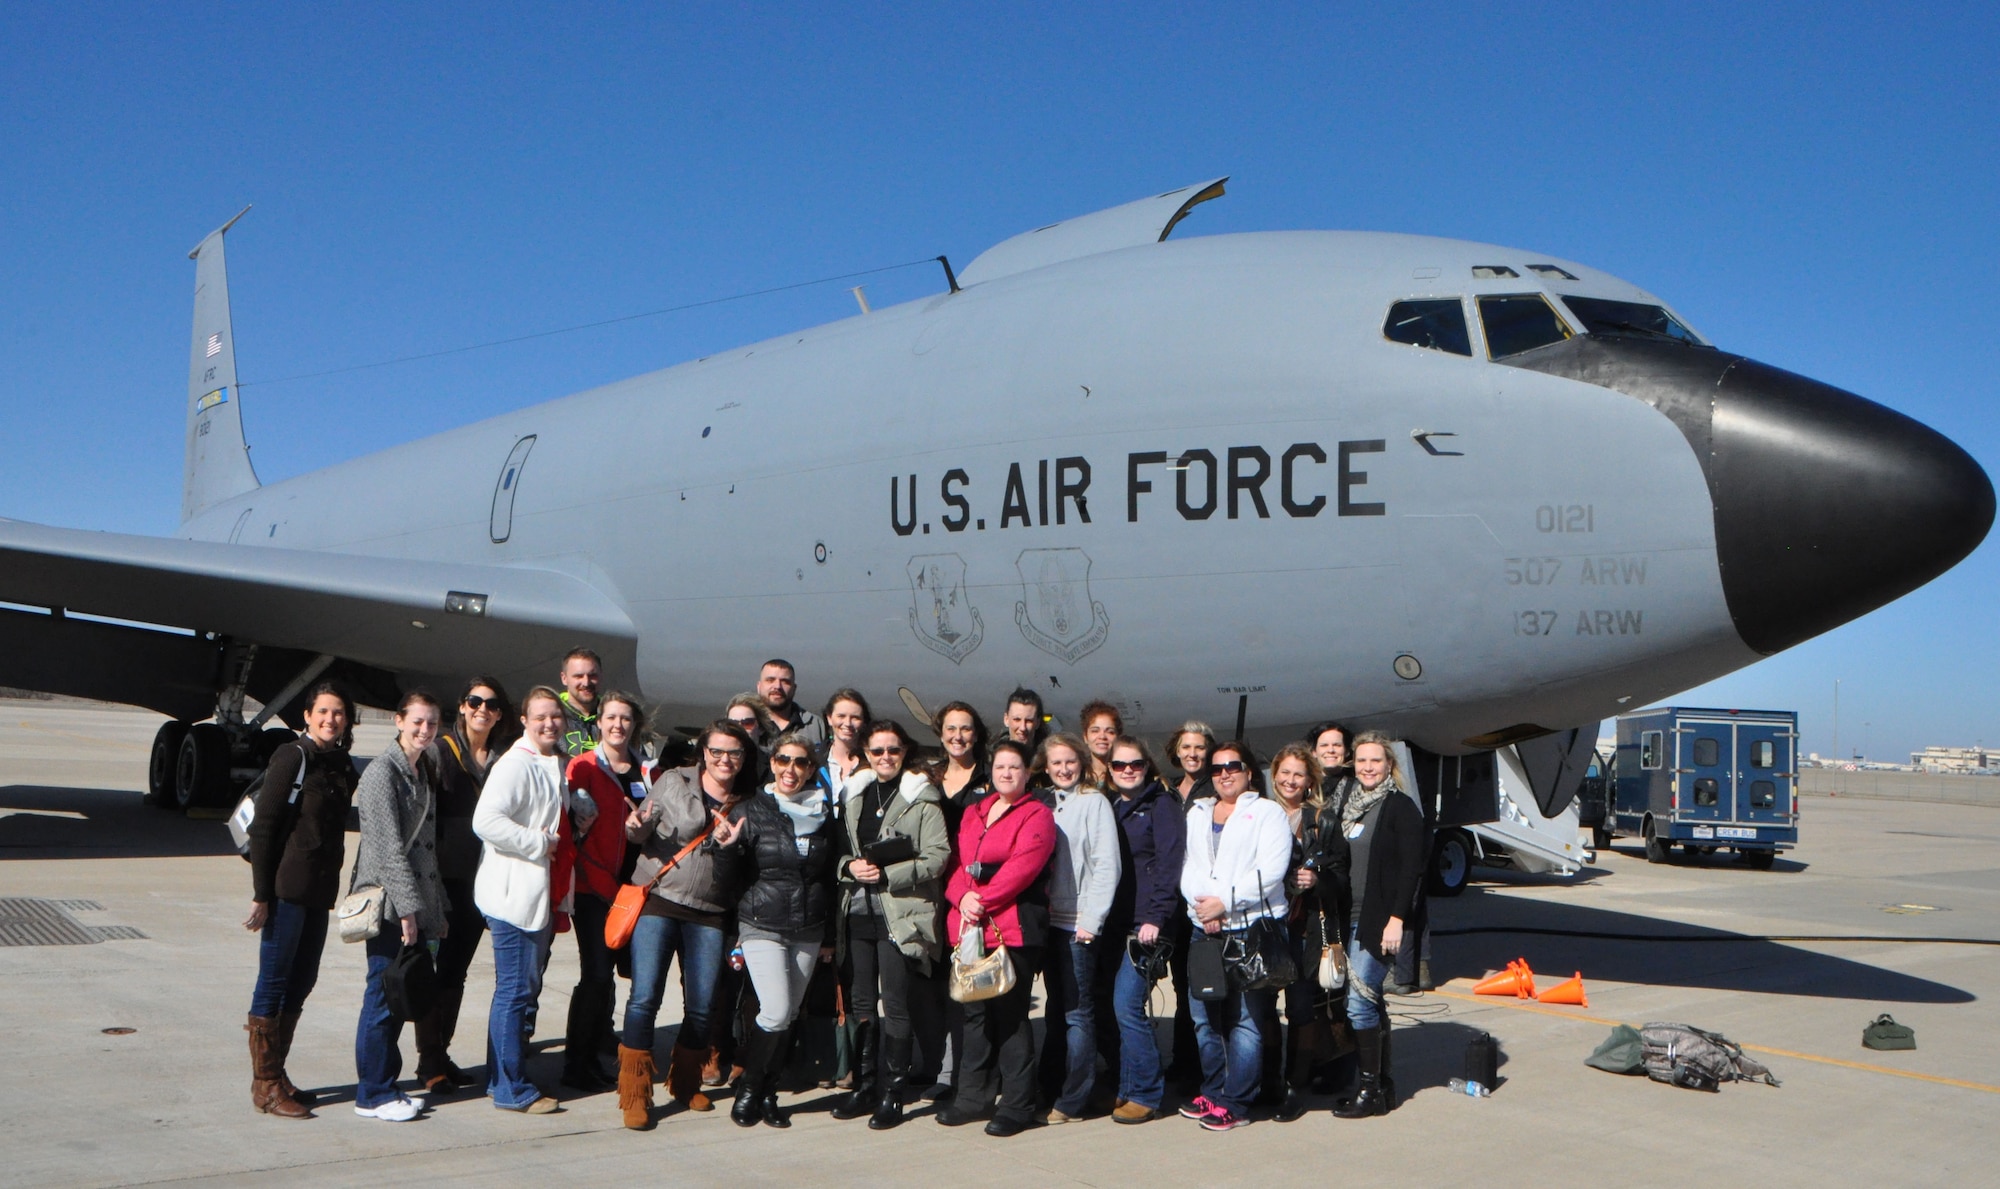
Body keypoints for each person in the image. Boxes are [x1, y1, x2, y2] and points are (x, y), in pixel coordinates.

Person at [616, 720, 752, 1129]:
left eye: (734, 753)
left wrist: (733, 849)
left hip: (710, 910)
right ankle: (635, 1093)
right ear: (703, 753)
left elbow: (746, 865)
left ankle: (685, 1081)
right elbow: (642, 830)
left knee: (702, 1003)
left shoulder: (748, 800)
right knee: (644, 997)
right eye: (717, 751)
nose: (725, 760)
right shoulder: (673, 781)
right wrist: (635, 830)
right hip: (660, 900)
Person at [243, 682, 359, 1119]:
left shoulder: (341, 764)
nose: (331, 719)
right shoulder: (293, 756)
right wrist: (261, 895)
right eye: (323, 712)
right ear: (307, 716)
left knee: (302, 980)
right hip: (286, 890)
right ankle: (265, 1086)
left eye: (339, 713)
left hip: (319, 892)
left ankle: (277, 1073)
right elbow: (264, 828)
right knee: (273, 982)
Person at [831, 720, 950, 1130]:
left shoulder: (922, 798)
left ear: (905, 753)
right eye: (878, 751)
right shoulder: (854, 795)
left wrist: (888, 875)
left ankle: (893, 1095)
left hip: (899, 915)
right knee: (863, 1003)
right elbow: (839, 852)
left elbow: (938, 857)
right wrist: (851, 867)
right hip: (857, 911)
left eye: (893, 751)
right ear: (866, 753)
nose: (886, 758)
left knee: (895, 1004)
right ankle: (865, 1086)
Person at [937, 739, 1056, 1138]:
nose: (1007, 773)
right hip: (971, 929)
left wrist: (982, 899)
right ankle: (973, 1098)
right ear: (991, 772)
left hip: (1011, 929)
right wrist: (962, 896)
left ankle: (1019, 1104)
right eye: (1001, 767)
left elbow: (1023, 867)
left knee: (1009, 1017)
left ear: (1027, 774)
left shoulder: (1037, 814)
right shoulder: (974, 813)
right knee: (973, 1016)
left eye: (1015, 768)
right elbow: (954, 863)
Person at [1177, 740, 1292, 1132]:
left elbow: (1270, 871)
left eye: (1233, 766)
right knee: (1203, 1015)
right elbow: (1190, 866)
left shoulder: (1267, 813)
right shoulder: (1198, 812)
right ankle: (1213, 1088)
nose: (1224, 773)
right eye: (1217, 768)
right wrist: (1202, 907)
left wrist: (1223, 903)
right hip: (1204, 928)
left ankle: (1238, 1102)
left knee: (1246, 1020)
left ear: (1248, 772)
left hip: (1250, 928)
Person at [728, 731, 839, 1128]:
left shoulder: (825, 813)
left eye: (801, 762)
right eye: (783, 760)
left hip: (808, 926)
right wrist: (726, 849)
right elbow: (732, 875)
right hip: (763, 922)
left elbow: (830, 875)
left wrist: (828, 935)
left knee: (789, 1013)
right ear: (771, 763)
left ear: (812, 769)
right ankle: (750, 1090)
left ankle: (769, 1092)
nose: (791, 769)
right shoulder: (751, 809)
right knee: (773, 1011)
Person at [350, 691, 449, 1122]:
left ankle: (384, 1085)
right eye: (417, 722)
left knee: (395, 998)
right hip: (390, 905)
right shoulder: (380, 773)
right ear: (398, 721)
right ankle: (372, 1093)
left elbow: (426, 849)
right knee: (381, 998)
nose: (424, 730)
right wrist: (409, 911)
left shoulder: (421, 769)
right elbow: (389, 849)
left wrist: (434, 908)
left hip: (413, 905)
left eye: (431, 724)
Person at [473, 686, 569, 1115]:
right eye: (541, 717)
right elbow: (485, 821)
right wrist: (537, 843)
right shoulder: (515, 764)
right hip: (512, 895)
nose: (550, 723)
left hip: (534, 896)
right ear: (525, 721)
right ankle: (511, 1088)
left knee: (512, 991)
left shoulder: (549, 761)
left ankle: (500, 1080)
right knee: (514, 991)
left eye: (556, 716)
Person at [415, 678, 513, 1094]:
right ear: (462, 706)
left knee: (455, 973)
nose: (482, 709)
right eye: (475, 701)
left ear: (499, 715)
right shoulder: (439, 753)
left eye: (491, 704)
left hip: (477, 882)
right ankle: (428, 1062)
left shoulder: (501, 760)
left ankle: (440, 1053)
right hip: (439, 882)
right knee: (426, 972)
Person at [1331, 732, 1427, 1120]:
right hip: (1348, 916)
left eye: (1375, 761)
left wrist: (1397, 919)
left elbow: (1412, 871)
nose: (1367, 767)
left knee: (1359, 1002)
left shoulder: (1400, 808)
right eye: (1361, 761)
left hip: (1378, 921)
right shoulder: (1350, 806)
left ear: (1389, 765)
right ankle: (1382, 1087)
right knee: (1368, 1000)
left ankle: (1369, 1090)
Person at [559, 692, 651, 1093]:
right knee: (595, 975)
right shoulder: (584, 767)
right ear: (598, 723)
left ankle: (599, 1042)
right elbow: (575, 831)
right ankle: (576, 1063)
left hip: (636, 891)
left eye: (625, 718)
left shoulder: (647, 771)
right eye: (611, 717)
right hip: (597, 889)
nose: (618, 725)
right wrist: (606, 887)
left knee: (616, 976)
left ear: (635, 724)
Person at [1097, 736, 1186, 1123]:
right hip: (1116, 923)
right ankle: (1128, 1087)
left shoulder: (1161, 806)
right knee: (1114, 1007)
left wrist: (1157, 916)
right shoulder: (1114, 806)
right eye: (1119, 765)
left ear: (1147, 767)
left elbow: (1169, 864)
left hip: (1148, 924)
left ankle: (1148, 1093)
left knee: (1128, 1005)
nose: (1127, 770)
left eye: (1135, 764)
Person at [1032, 733, 1120, 1124]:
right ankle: (1049, 1087)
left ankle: (1073, 1099)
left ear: (1082, 763)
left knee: (1077, 1014)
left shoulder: (1094, 802)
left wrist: (1092, 920)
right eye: (1056, 763)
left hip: (1078, 925)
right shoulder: (1044, 802)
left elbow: (1106, 864)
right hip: (1047, 922)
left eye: (1070, 761)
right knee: (1056, 1009)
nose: (1064, 769)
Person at [1267, 744, 1333, 1120]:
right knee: (1261, 1006)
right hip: (1265, 924)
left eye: (1298, 774)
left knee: (1300, 1007)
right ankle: (1270, 1080)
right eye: (1285, 772)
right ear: (1274, 774)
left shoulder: (1321, 819)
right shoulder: (1259, 811)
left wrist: (1318, 879)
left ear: (1310, 781)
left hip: (1303, 926)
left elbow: (1341, 874)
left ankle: (1295, 1084)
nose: (1290, 780)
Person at [1160, 719, 1215, 1089]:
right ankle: (1183, 1063)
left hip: (1202, 906)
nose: (1192, 754)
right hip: (1172, 908)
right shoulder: (1165, 792)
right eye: (1186, 748)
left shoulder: (1216, 789)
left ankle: (1207, 1069)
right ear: (1176, 752)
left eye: (1199, 747)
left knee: (1205, 990)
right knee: (1182, 988)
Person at [757, 659, 827, 746]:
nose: (777, 686)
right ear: (759, 686)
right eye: (770, 680)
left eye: (785, 682)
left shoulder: (815, 725)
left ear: (794, 688)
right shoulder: (747, 723)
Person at [818, 688, 870, 801]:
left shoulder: (873, 761)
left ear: (864, 722)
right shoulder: (813, 758)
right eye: (841, 716)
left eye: (855, 718)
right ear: (829, 718)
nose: (847, 723)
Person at [558, 648, 603, 758]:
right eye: (578, 676)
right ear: (564, 678)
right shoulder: (553, 716)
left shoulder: (613, 715)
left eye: (592, 675)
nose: (586, 682)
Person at [1309, 722, 1354, 819]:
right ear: (1314, 752)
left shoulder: (1356, 787)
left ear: (1346, 751)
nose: (1331, 750)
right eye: (1324, 745)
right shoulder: (1305, 787)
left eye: (1337, 745)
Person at [1077, 700, 1124, 788]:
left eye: (1110, 732)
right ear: (1085, 737)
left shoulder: (1127, 774)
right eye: (1095, 731)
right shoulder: (1076, 776)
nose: (1102, 736)